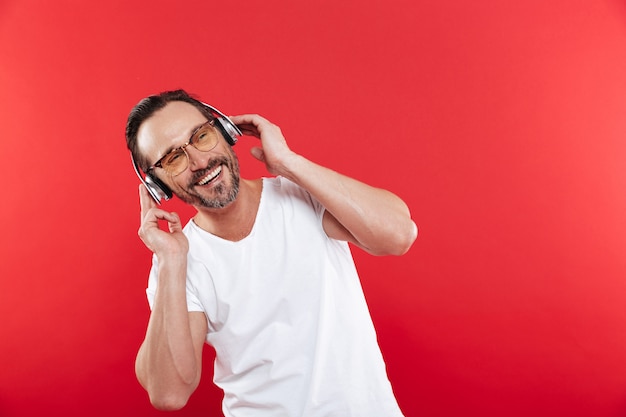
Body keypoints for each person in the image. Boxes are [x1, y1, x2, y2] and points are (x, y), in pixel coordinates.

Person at [125, 89, 418, 416]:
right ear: (157, 185)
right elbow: (169, 393)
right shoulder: (177, 262)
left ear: (224, 130)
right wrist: (171, 262)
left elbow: (399, 235)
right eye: (174, 158)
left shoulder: (302, 196)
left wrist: (289, 164)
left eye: (202, 136)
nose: (200, 161)